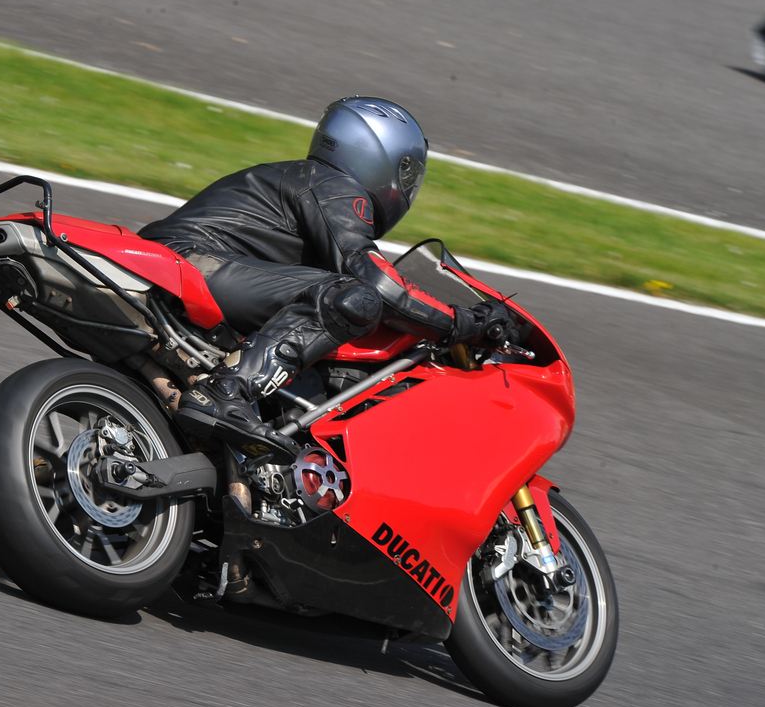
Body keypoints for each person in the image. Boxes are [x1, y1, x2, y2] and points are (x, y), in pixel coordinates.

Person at [139, 96, 518, 460]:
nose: (406, 183)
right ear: (377, 155)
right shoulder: (333, 186)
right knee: (353, 299)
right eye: (406, 170)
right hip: (189, 263)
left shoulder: (303, 179)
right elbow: (375, 280)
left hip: (188, 263)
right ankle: (226, 390)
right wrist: (461, 321)